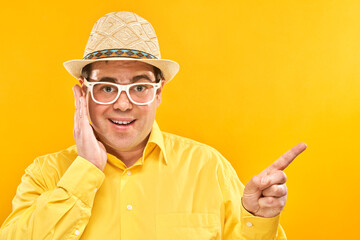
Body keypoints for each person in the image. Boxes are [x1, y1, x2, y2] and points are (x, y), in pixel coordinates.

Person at [0, 11, 306, 240]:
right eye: (107, 87)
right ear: (83, 93)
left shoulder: (208, 167)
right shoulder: (46, 174)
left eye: (139, 87)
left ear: (158, 93)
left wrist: (258, 218)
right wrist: (86, 170)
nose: (122, 103)